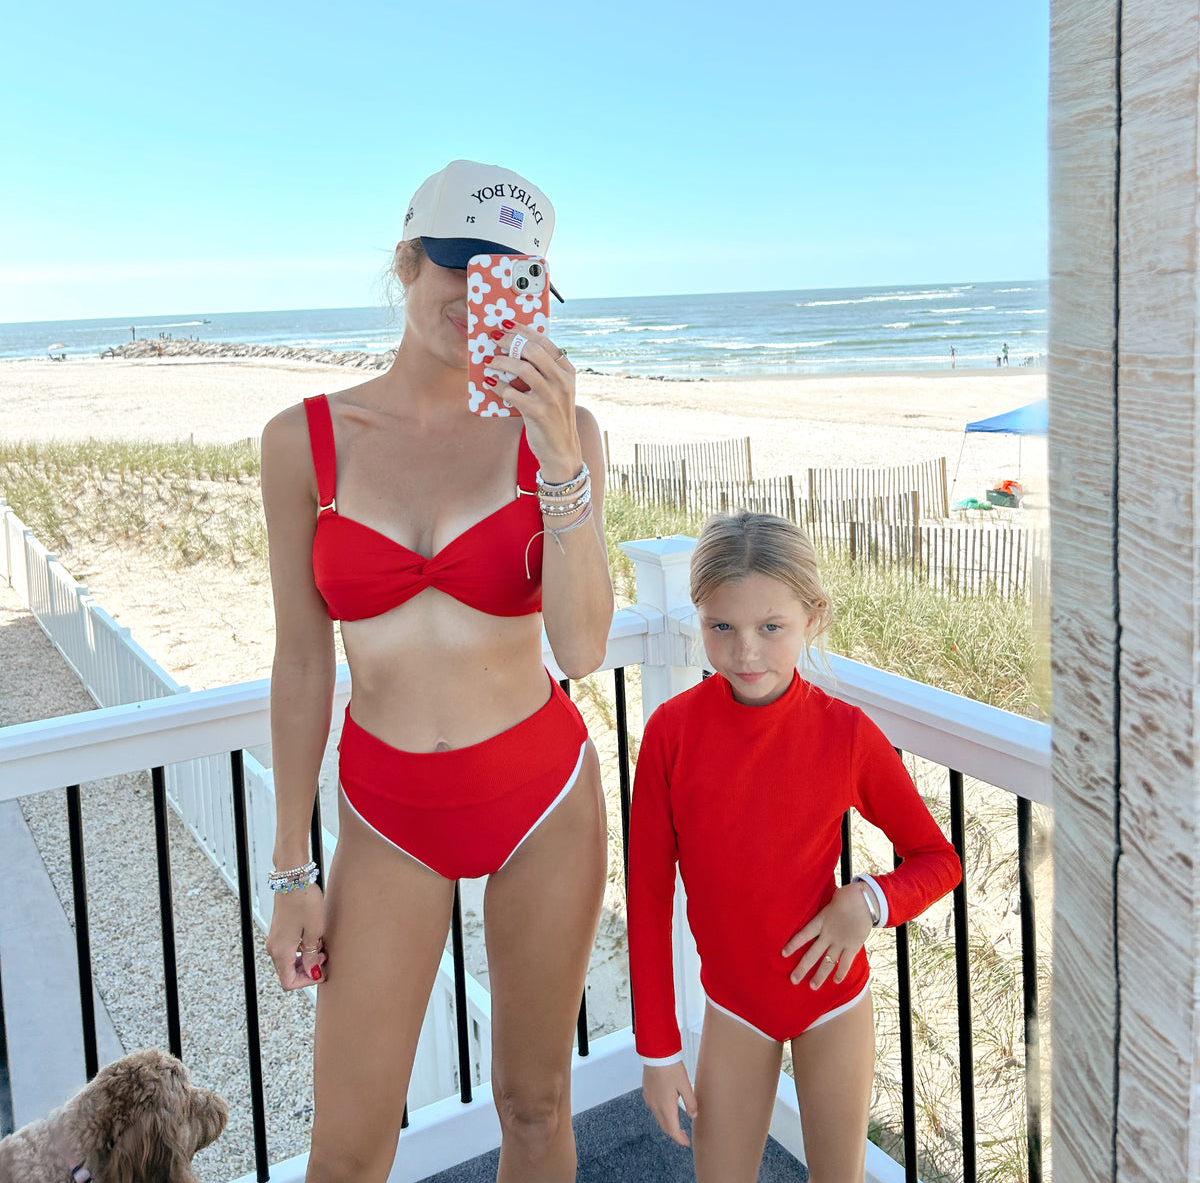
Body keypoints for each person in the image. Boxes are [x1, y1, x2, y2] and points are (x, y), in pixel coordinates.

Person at [260, 160, 613, 1183]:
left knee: (537, 1104)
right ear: (407, 260)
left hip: (543, 795)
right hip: (385, 810)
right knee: (350, 1143)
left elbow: (584, 648)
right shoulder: (305, 443)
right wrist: (291, 867)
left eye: (514, 277)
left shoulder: (559, 436)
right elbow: (299, 659)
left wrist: (561, 462)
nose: (477, 296)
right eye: (460, 264)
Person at [627, 511, 960, 1183]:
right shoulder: (671, 733)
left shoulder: (846, 733)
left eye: (770, 627)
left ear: (813, 617)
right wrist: (659, 1051)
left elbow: (938, 860)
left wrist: (866, 902)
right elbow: (647, 896)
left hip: (831, 1001)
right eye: (723, 627)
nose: (746, 651)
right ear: (700, 618)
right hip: (733, 1009)